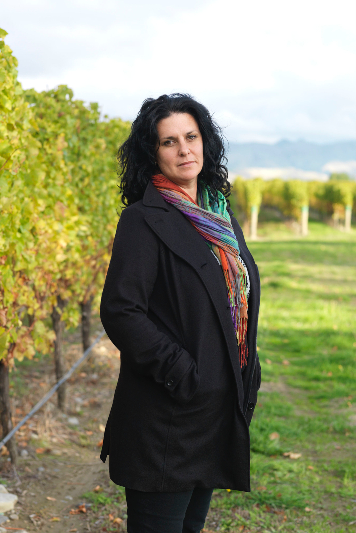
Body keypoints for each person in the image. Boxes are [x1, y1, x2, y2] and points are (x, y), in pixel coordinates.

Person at [99, 93, 261, 533]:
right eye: (169, 142)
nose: (184, 149)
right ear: (153, 154)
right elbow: (121, 311)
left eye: (191, 136)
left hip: (214, 412)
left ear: (205, 142)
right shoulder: (142, 219)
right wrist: (184, 373)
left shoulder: (219, 214)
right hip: (166, 416)